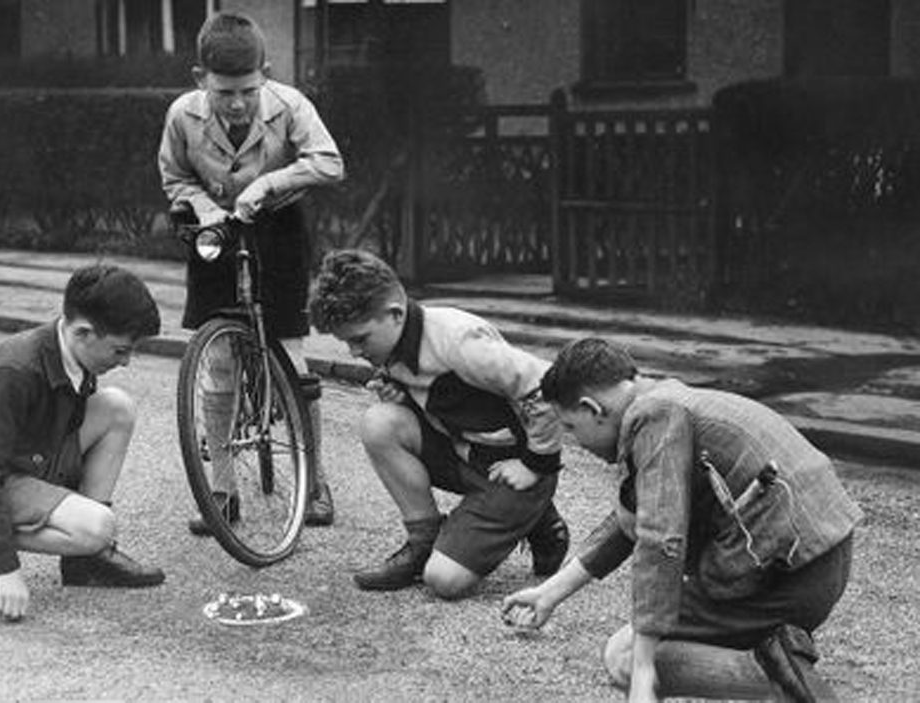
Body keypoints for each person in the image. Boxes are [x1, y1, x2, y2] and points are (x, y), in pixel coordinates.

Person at [502, 338, 862, 702]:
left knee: (624, 655)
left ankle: (777, 676)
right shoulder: (663, 398)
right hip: (821, 556)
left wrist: (643, 668)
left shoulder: (655, 418)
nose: (577, 442)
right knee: (644, 641)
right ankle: (778, 655)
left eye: (571, 427)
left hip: (790, 576)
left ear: (593, 408)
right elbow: (637, 515)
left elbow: (661, 537)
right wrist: (551, 592)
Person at [158, 11, 344, 532]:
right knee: (218, 361)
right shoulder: (182, 115)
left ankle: (316, 481)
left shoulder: (289, 106)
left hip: (278, 229)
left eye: (247, 90)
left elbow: (330, 161)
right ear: (201, 80)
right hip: (216, 231)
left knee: (291, 356)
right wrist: (203, 207)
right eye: (224, 93)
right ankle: (222, 486)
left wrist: (269, 184)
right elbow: (175, 178)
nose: (237, 104)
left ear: (265, 72)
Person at [308, 249, 570, 599]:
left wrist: (536, 465)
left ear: (395, 314)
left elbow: (545, 386)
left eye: (360, 339)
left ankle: (540, 518)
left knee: (444, 582)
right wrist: (405, 400)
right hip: (470, 455)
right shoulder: (392, 344)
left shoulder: (459, 340)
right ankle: (423, 542)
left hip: (513, 467)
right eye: (347, 343)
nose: (354, 353)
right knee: (379, 423)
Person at [0, 264, 166, 621]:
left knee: (117, 408)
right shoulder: (11, 370)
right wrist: (4, 568)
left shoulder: (73, 352)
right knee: (97, 527)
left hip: (24, 458)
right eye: (119, 351)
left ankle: (86, 562)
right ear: (83, 332)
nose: (126, 361)